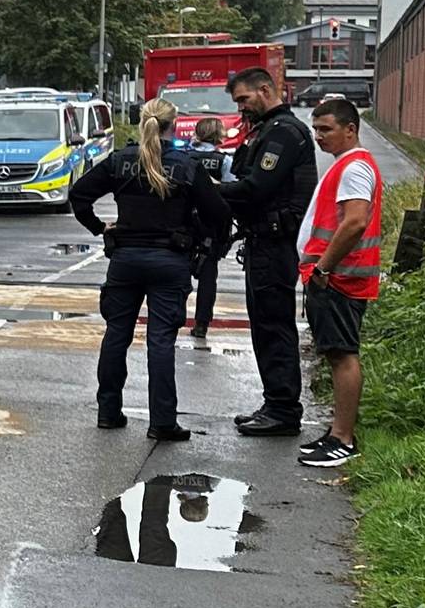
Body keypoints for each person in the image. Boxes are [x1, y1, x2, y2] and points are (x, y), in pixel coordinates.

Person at [68, 97, 230, 440]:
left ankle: (108, 413)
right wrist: (209, 242)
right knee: (160, 341)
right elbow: (218, 214)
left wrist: (100, 228)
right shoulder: (186, 165)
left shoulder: (120, 161)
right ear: (173, 125)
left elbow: (79, 195)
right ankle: (162, 422)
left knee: (116, 335)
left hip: (125, 259)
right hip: (170, 260)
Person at [218, 68, 319, 437]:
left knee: (274, 325)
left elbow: (256, 187)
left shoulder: (284, 134)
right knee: (263, 325)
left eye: (244, 99)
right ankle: (275, 402)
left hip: (276, 243)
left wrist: (208, 191)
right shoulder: (267, 131)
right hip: (263, 241)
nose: (242, 108)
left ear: (265, 90)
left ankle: (283, 409)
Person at [297, 96, 384, 468]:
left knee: (342, 356)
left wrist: (323, 269)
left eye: (326, 129)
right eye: (316, 129)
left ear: (351, 129)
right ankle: (337, 432)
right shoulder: (345, 165)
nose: (319, 136)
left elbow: (355, 222)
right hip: (336, 278)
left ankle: (343, 440)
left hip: (339, 280)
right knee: (336, 355)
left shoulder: (354, 168)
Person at [186, 117, 234, 340]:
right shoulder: (224, 161)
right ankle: (202, 324)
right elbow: (230, 192)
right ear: (218, 136)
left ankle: (173, 315)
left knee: (179, 271)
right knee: (208, 276)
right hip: (212, 225)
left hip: (185, 221)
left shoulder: (185, 156)